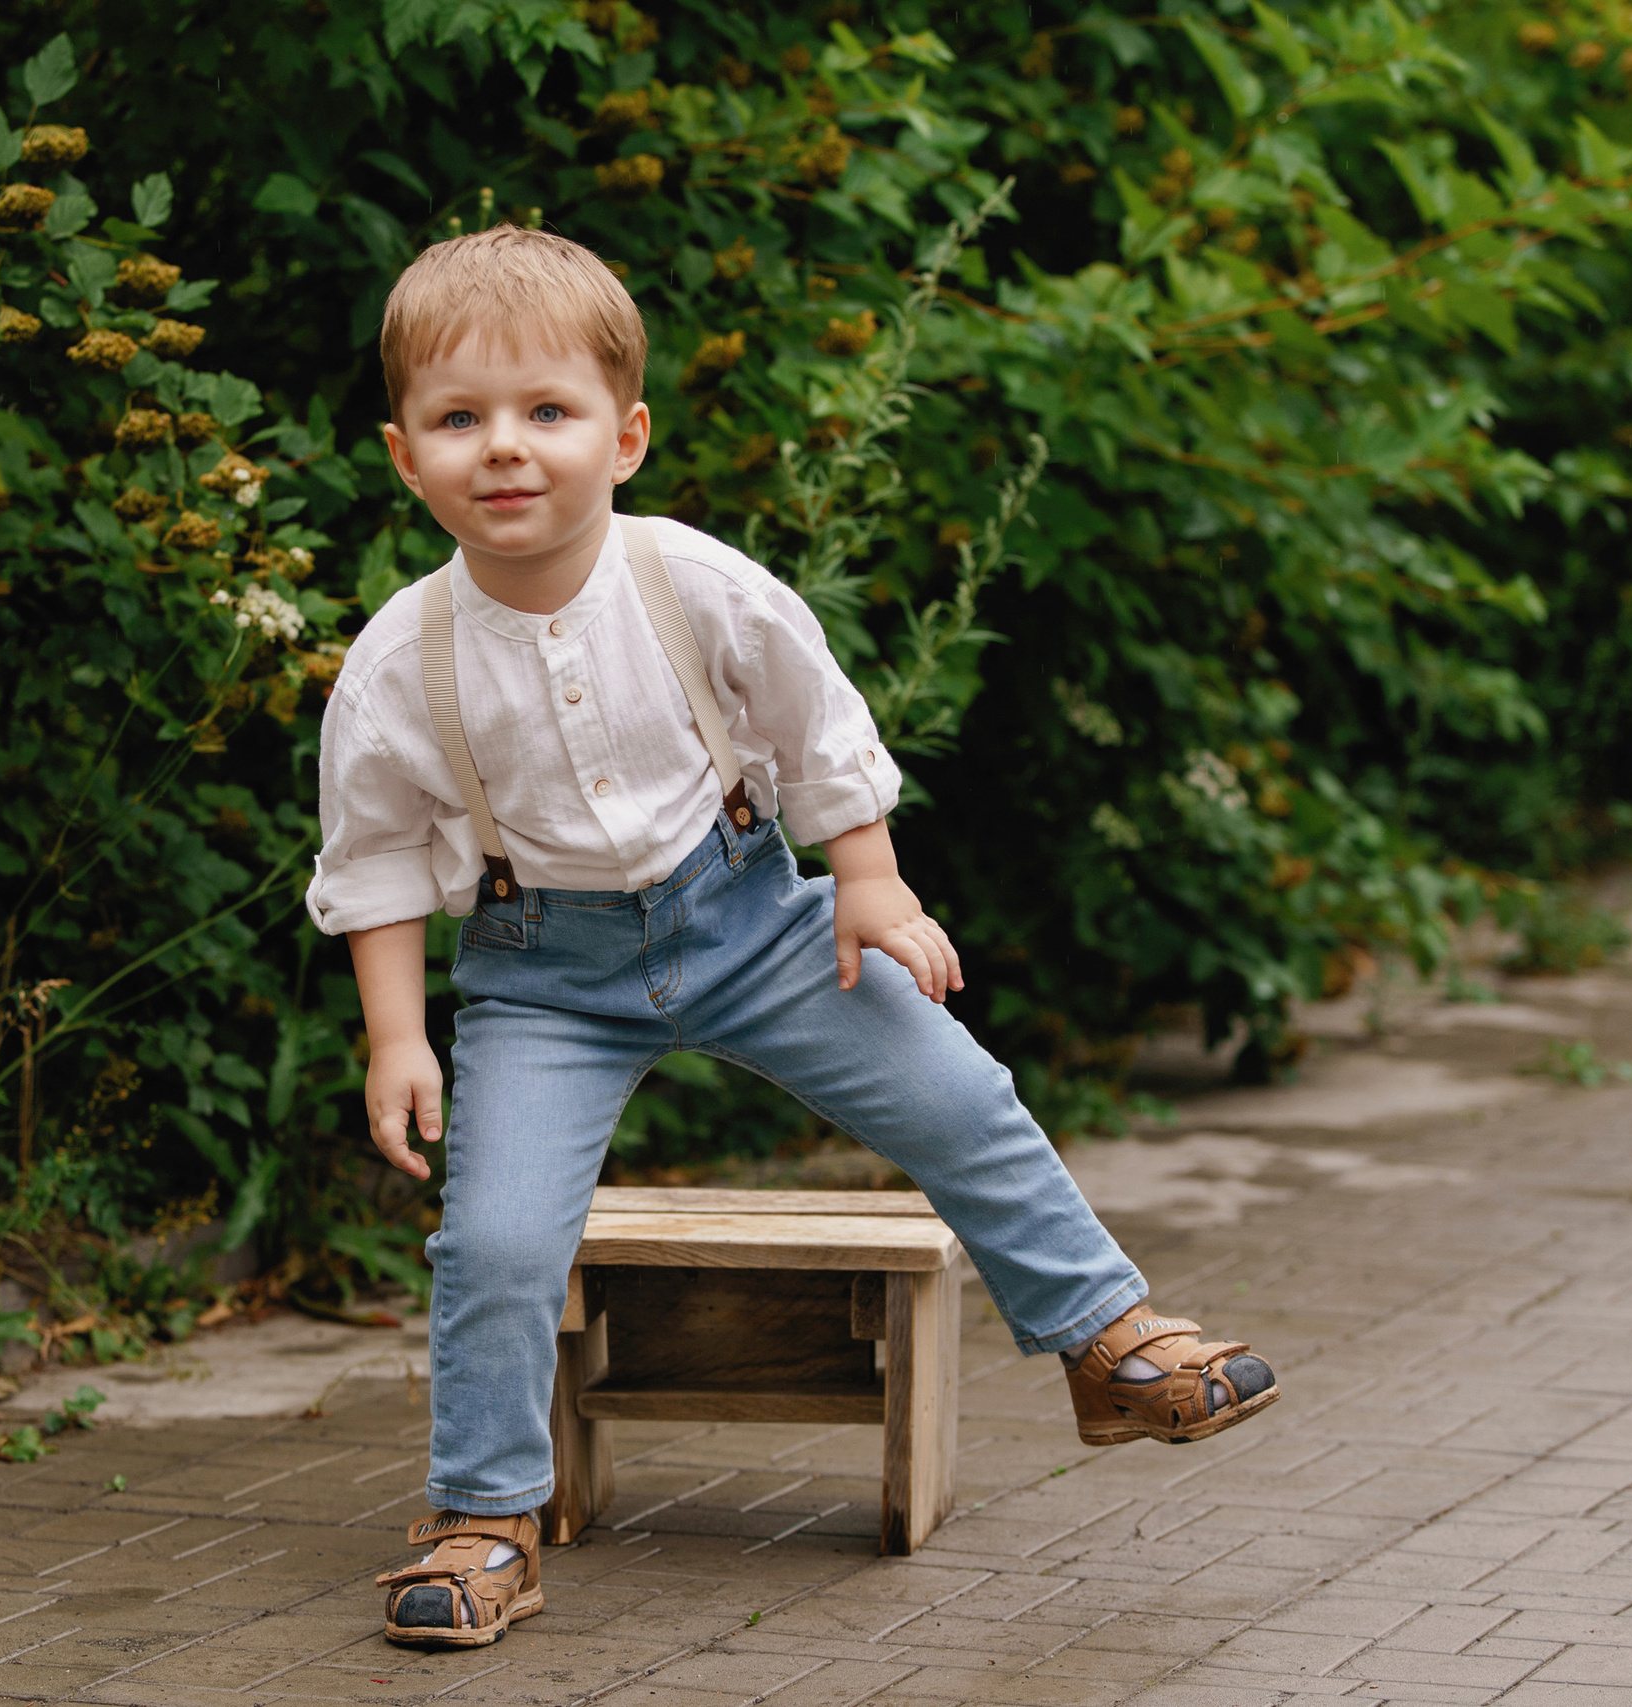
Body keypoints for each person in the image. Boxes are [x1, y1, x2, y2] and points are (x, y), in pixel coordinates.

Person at [305, 225, 1279, 1650]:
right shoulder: (400, 658)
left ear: (625, 436)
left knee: (960, 1093)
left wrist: (870, 882)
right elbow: (376, 854)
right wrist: (398, 1034)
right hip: (542, 980)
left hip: (755, 917)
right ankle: (484, 1518)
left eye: (547, 413)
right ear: (407, 457)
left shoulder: (691, 583)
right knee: (499, 1237)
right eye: (461, 420)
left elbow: (817, 726)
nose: (506, 450)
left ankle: (1105, 1343)